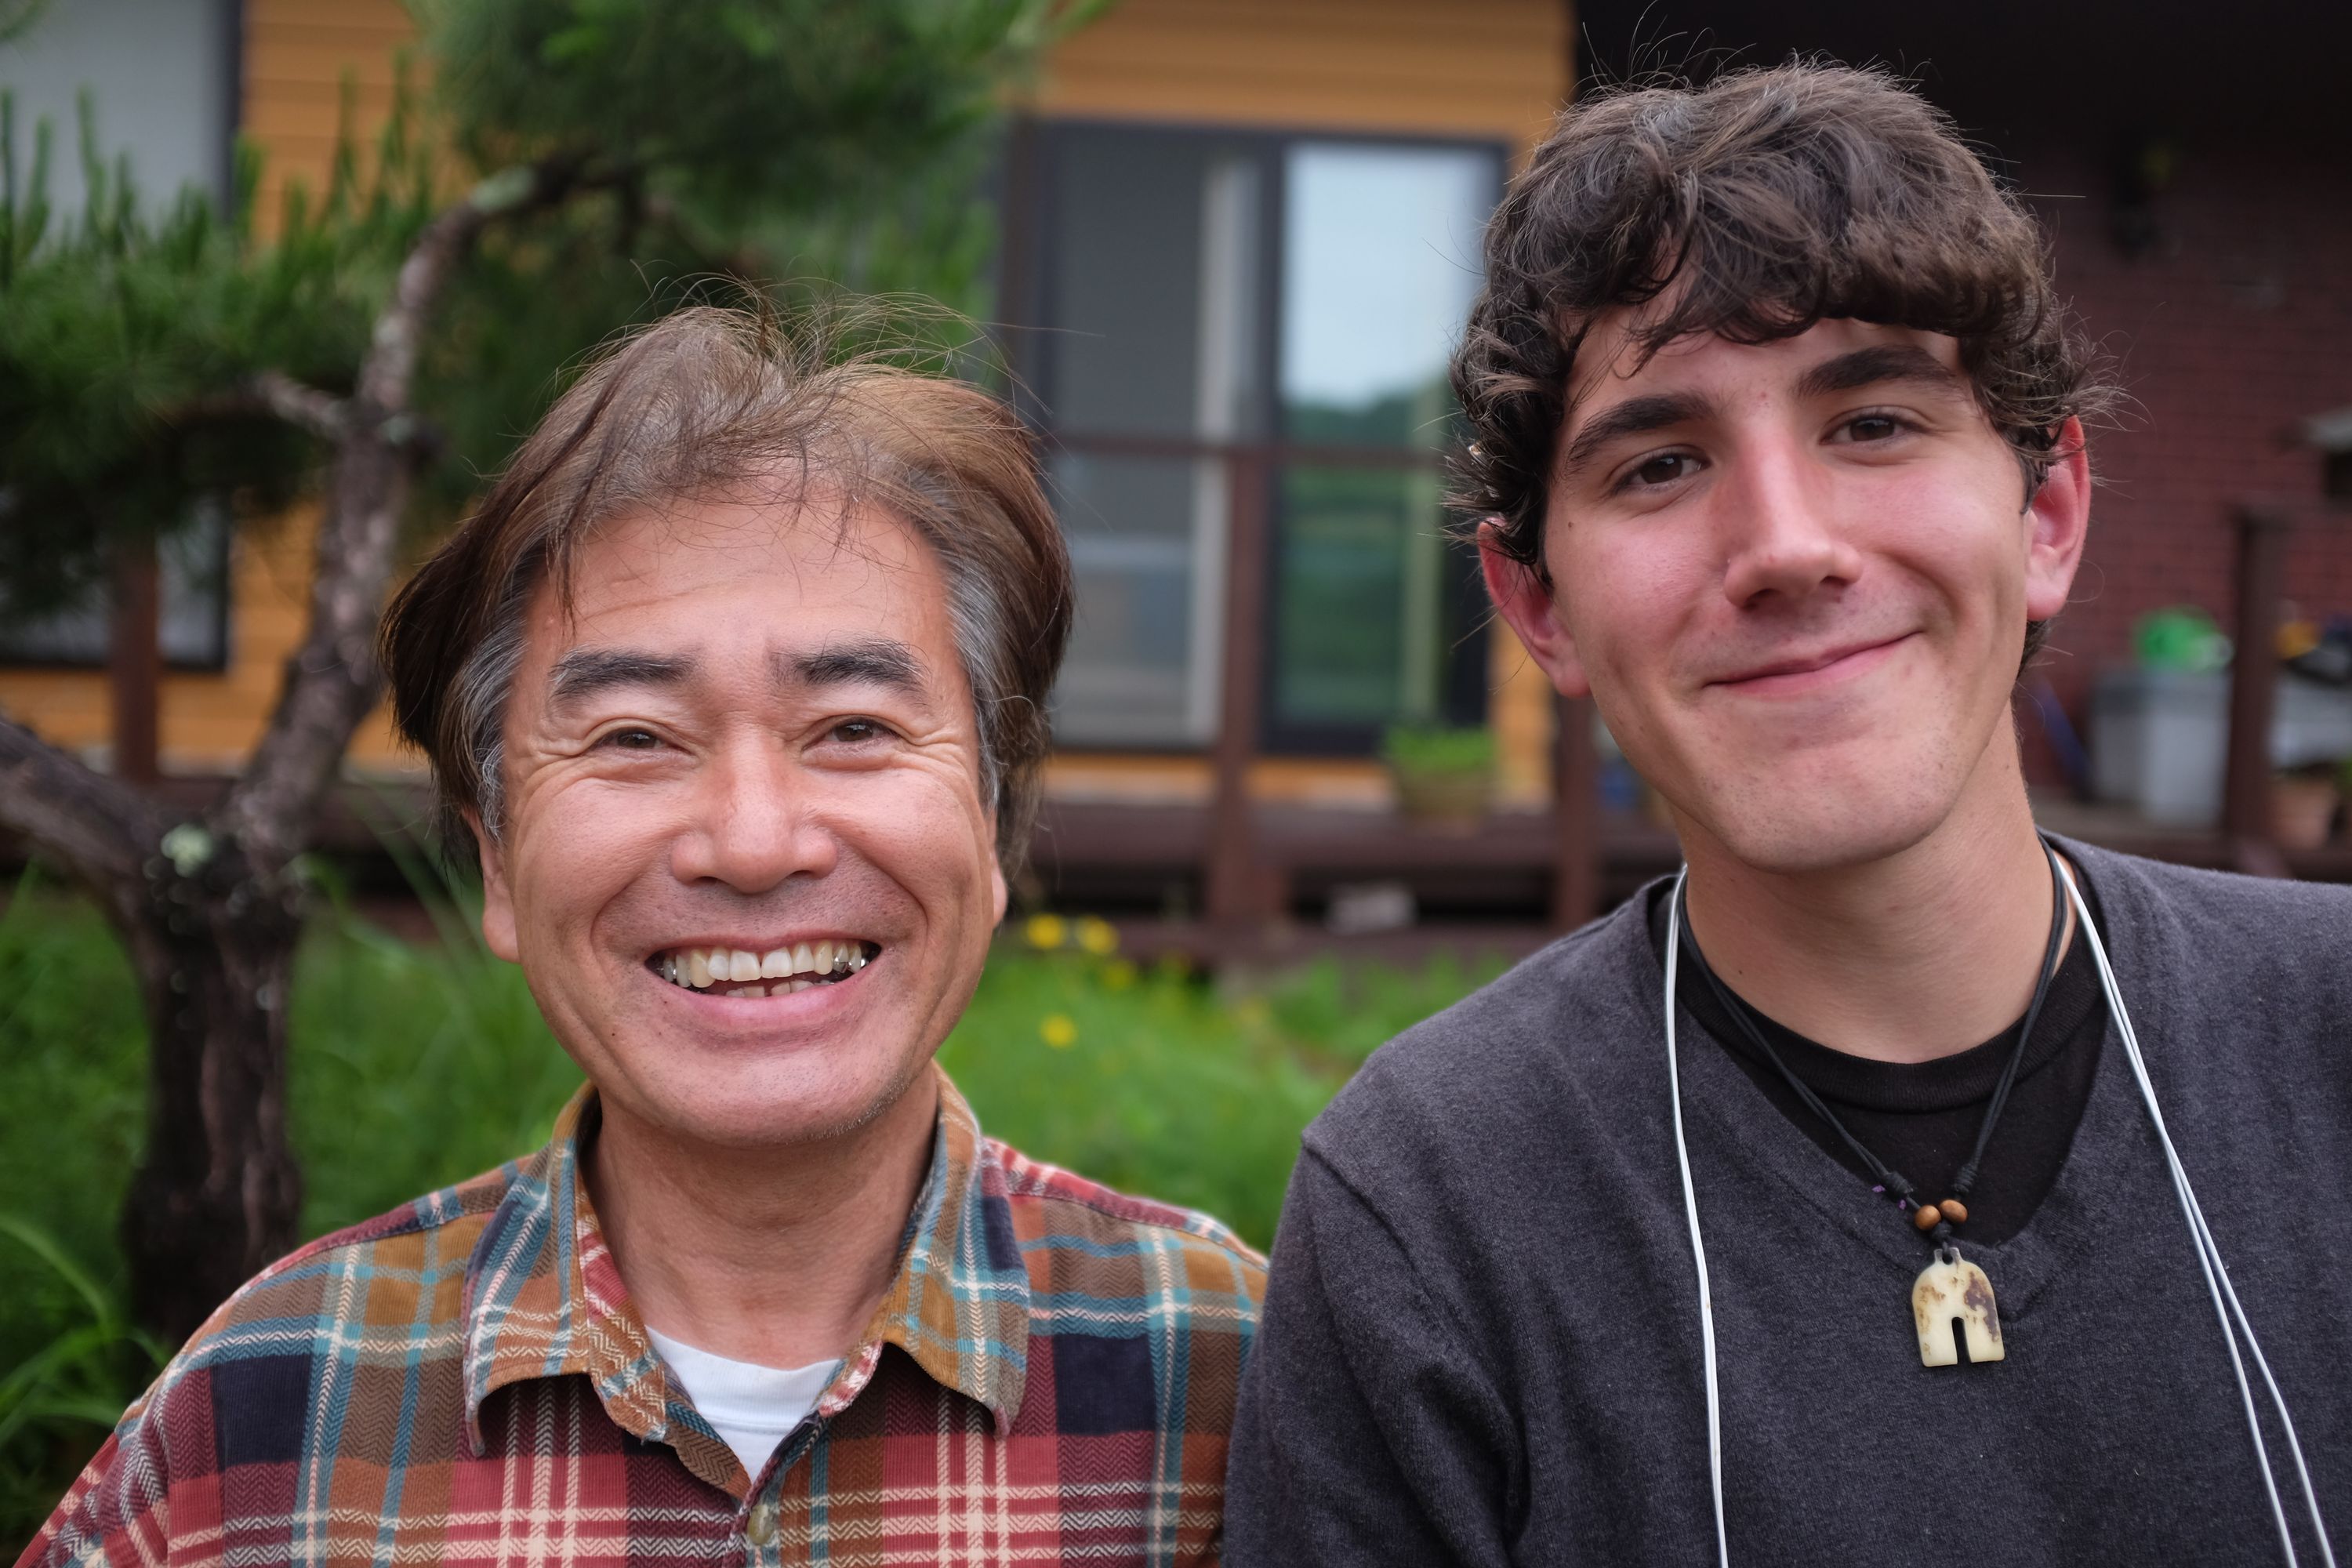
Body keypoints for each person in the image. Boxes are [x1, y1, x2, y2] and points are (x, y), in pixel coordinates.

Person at [1225, 63, 2349, 1566]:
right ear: (1537, 608)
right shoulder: (1434, 1209)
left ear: (2049, 513)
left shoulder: (2328, 1037)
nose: (1786, 545)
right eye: (1663, 462)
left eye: (1874, 421)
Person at [20, 308, 1264, 1568]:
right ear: (498, 859)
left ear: (993, 827)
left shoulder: (1232, 1376)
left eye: (852, 726)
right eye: (632, 739)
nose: (753, 840)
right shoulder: (267, 1414)